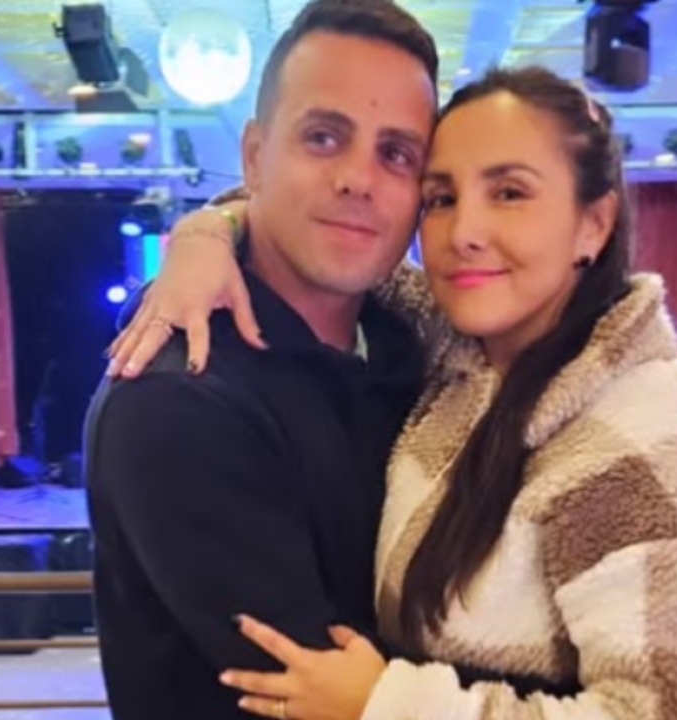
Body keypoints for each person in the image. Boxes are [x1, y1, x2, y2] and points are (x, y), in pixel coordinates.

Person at [107, 66, 677, 720]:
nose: (464, 234)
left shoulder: (642, 436)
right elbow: (316, 239)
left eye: (510, 193)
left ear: (593, 224)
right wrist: (207, 236)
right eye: (441, 198)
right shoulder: (465, 346)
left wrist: (387, 706)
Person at [83, 2, 440, 719]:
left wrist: (210, 226)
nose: (359, 179)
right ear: (254, 157)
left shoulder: (413, 348)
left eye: (396, 154)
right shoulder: (179, 397)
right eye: (323, 137)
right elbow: (317, 689)